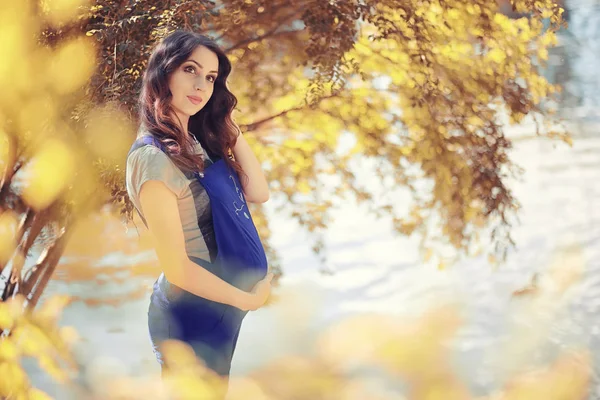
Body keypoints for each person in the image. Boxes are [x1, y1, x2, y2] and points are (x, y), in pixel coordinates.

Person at [124, 30, 274, 385]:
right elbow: (177, 267)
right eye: (191, 70)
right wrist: (247, 301)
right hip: (190, 313)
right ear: (164, 73)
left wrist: (231, 131)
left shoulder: (194, 140)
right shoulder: (152, 159)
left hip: (221, 305)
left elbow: (258, 191)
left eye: (210, 77)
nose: (202, 86)